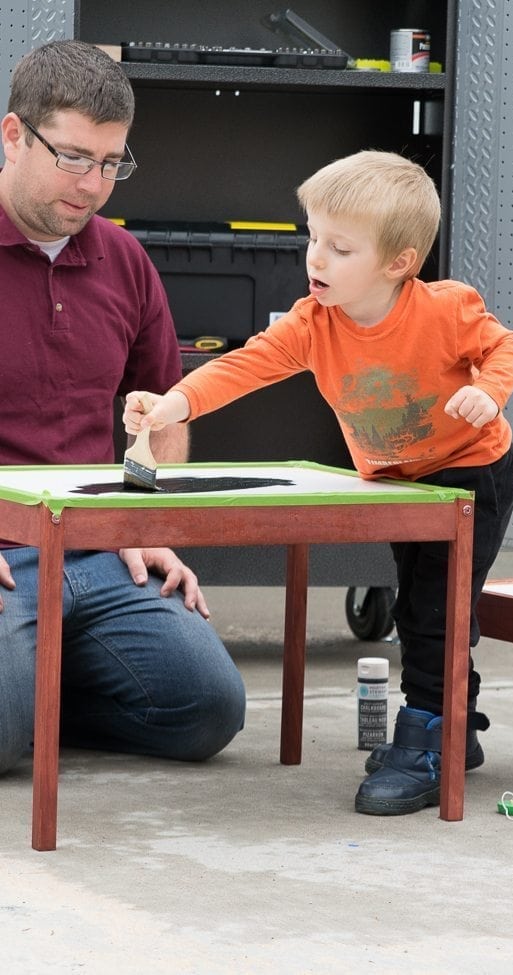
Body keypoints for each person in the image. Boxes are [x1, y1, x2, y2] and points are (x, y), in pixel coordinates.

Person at [124, 149, 513, 816]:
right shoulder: (314, 324)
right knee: (417, 603)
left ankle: (428, 737)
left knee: (434, 610)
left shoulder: (445, 308)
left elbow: (502, 345)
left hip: (471, 470)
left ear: (398, 262)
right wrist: (173, 403)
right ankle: (452, 720)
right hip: (401, 477)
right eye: (313, 238)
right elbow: (244, 366)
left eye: (339, 248)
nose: (316, 259)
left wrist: (489, 392)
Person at [0, 39, 245, 775]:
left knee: (208, 710)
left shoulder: (125, 260)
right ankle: (20, 696)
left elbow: (165, 414)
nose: (94, 185)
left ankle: (32, 690)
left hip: (103, 548)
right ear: (13, 135)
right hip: (5, 553)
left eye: (112, 163)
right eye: (75, 157)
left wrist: (146, 519)